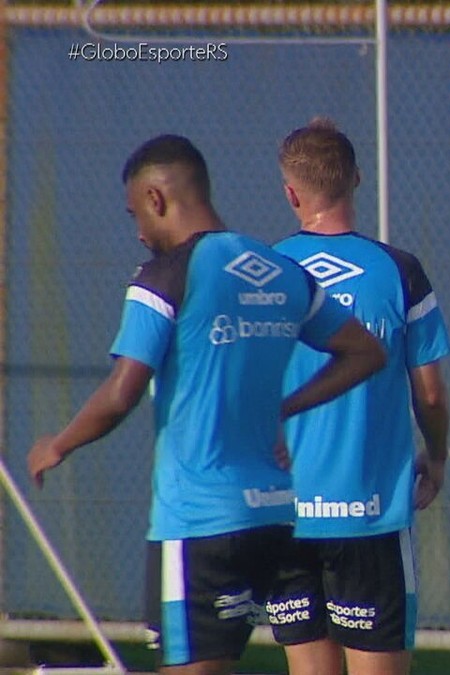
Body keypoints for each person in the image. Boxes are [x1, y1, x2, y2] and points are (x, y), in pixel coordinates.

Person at [26, 135, 387, 674]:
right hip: (270, 517)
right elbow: (365, 352)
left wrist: (58, 442)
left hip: (198, 520)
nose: (139, 233)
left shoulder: (167, 275)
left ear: (156, 199)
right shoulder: (280, 270)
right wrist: (285, 407)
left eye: (135, 215)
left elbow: (122, 391)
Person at [263, 118, 450, 675]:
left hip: (285, 512)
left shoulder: (261, 271)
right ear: (358, 179)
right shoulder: (398, 271)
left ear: (291, 192)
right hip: (368, 512)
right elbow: (432, 392)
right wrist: (436, 458)